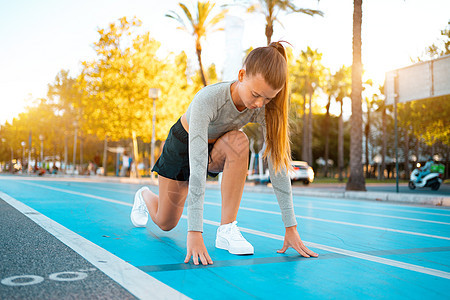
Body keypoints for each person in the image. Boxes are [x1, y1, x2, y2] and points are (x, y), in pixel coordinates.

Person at [131, 42, 318, 266]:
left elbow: (278, 166)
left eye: (268, 99)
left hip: (218, 147)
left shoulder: (263, 109)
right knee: (165, 222)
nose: (259, 104)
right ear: (241, 75)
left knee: (240, 140)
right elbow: (198, 165)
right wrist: (195, 232)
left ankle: (227, 229)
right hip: (182, 145)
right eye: (256, 94)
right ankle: (144, 195)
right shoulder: (208, 99)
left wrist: (291, 228)